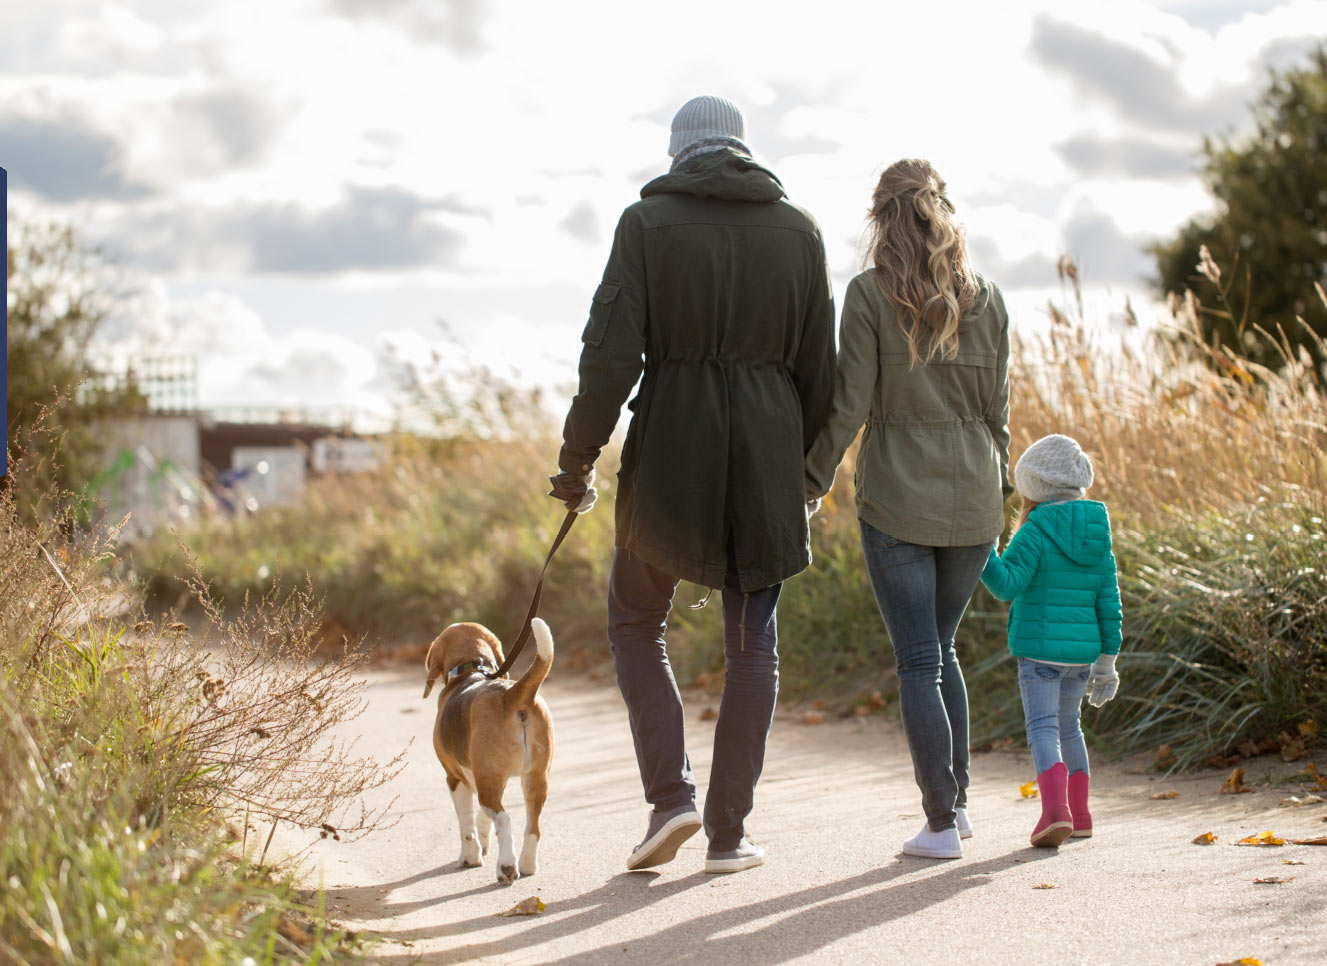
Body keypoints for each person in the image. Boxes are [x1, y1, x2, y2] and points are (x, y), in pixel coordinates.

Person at [550, 95, 836, 874]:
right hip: (766, 460)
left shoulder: (646, 225)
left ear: (677, 152)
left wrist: (576, 461)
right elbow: (821, 374)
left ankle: (669, 799)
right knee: (752, 647)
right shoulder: (800, 230)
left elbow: (608, 357)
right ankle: (728, 835)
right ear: (742, 149)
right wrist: (800, 473)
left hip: (672, 447)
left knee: (638, 621)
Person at [804, 159, 1011, 860]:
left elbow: (848, 406)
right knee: (939, 649)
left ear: (879, 218)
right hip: (975, 497)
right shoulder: (990, 298)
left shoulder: (867, 296)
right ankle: (957, 806)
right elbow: (998, 416)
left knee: (919, 658)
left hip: (897, 497)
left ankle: (940, 822)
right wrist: (1003, 499)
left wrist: (809, 481)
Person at [979, 433, 1122, 847]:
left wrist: (983, 552)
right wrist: (1107, 663)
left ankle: (1054, 813)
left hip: (1040, 653)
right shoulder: (1098, 533)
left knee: (1043, 728)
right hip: (1083, 656)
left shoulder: (1036, 529)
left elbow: (1006, 586)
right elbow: (1108, 602)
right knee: (1070, 728)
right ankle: (1080, 815)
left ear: (1033, 489)